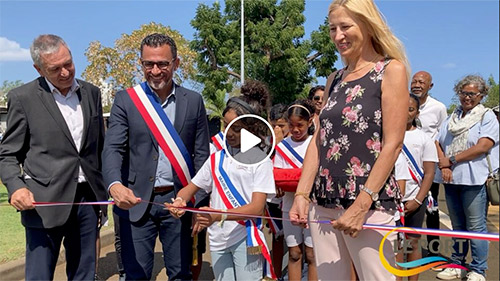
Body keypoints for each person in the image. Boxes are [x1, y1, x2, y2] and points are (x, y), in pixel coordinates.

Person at [289, 0, 410, 280]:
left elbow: (393, 144)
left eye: (345, 26)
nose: (338, 36)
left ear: (367, 26)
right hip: (324, 200)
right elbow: (319, 141)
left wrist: (361, 204)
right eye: (333, 28)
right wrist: (301, 194)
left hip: (370, 204)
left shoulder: (391, 71)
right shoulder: (334, 79)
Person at [102, 33, 210, 280]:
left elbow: (203, 155)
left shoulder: (193, 101)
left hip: (179, 203)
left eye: (163, 64)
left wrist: (196, 197)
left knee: (181, 275)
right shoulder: (126, 100)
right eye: (148, 64)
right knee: (136, 275)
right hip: (137, 202)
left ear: (176, 63)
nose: (155, 70)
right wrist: (115, 185)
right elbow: (112, 149)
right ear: (141, 64)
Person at [0, 34, 107, 280]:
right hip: (44, 204)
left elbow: (98, 148)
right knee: (39, 276)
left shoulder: (92, 93)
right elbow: (6, 154)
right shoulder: (23, 98)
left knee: (84, 275)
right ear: (38, 69)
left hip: (87, 202)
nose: (66, 72)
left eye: (68, 63)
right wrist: (16, 187)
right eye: (55, 68)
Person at [169, 80, 277, 281]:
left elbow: (256, 207)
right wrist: (179, 201)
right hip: (218, 239)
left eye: (236, 128)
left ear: (251, 128)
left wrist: (217, 215)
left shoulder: (260, 161)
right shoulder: (217, 158)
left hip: (246, 239)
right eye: (226, 126)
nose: (229, 133)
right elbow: (190, 189)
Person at [434, 75, 498, 281]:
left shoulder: (486, 116)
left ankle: (479, 269)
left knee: (476, 226)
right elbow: (437, 141)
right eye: (463, 93)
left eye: (471, 94)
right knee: (458, 226)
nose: (466, 97)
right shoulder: (452, 118)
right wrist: (444, 162)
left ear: (481, 95)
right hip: (452, 179)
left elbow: (483, 146)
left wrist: (450, 159)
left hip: (475, 179)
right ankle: (457, 264)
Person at [395, 94, 438, 281]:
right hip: (390, 201)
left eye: (410, 109)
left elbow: (429, 173)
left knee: (412, 243)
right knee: (395, 244)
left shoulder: (424, 139)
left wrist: (418, 200)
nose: (405, 113)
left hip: (414, 199)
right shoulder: (385, 135)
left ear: (417, 113)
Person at [274, 100, 317, 281]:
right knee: (294, 252)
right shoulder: (283, 146)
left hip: (313, 206)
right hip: (289, 204)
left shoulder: (314, 145)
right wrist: (279, 187)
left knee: (312, 254)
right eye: (291, 126)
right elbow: (278, 175)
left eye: (300, 125)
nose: (296, 130)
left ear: (310, 122)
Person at [410, 71, 447, 255]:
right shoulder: (402, 102)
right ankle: (403, 251)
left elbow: (441, 137)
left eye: (421, 82)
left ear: (430, 86)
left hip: (428, 169)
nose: (417, 85)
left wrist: (444, 164)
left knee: (431, 211)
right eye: (414, 81)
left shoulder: (438, 108)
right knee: (405, 210)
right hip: (405, 168)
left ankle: (433, 252)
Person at [267, 103, 289, 279]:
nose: (277, 129)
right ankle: (275, 274)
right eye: (273, 124)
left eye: (281, 125)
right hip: (273, 201)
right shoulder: (265, 143)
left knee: (298, 245)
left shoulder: (297, 142)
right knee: (277, 238)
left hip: (291, 199)